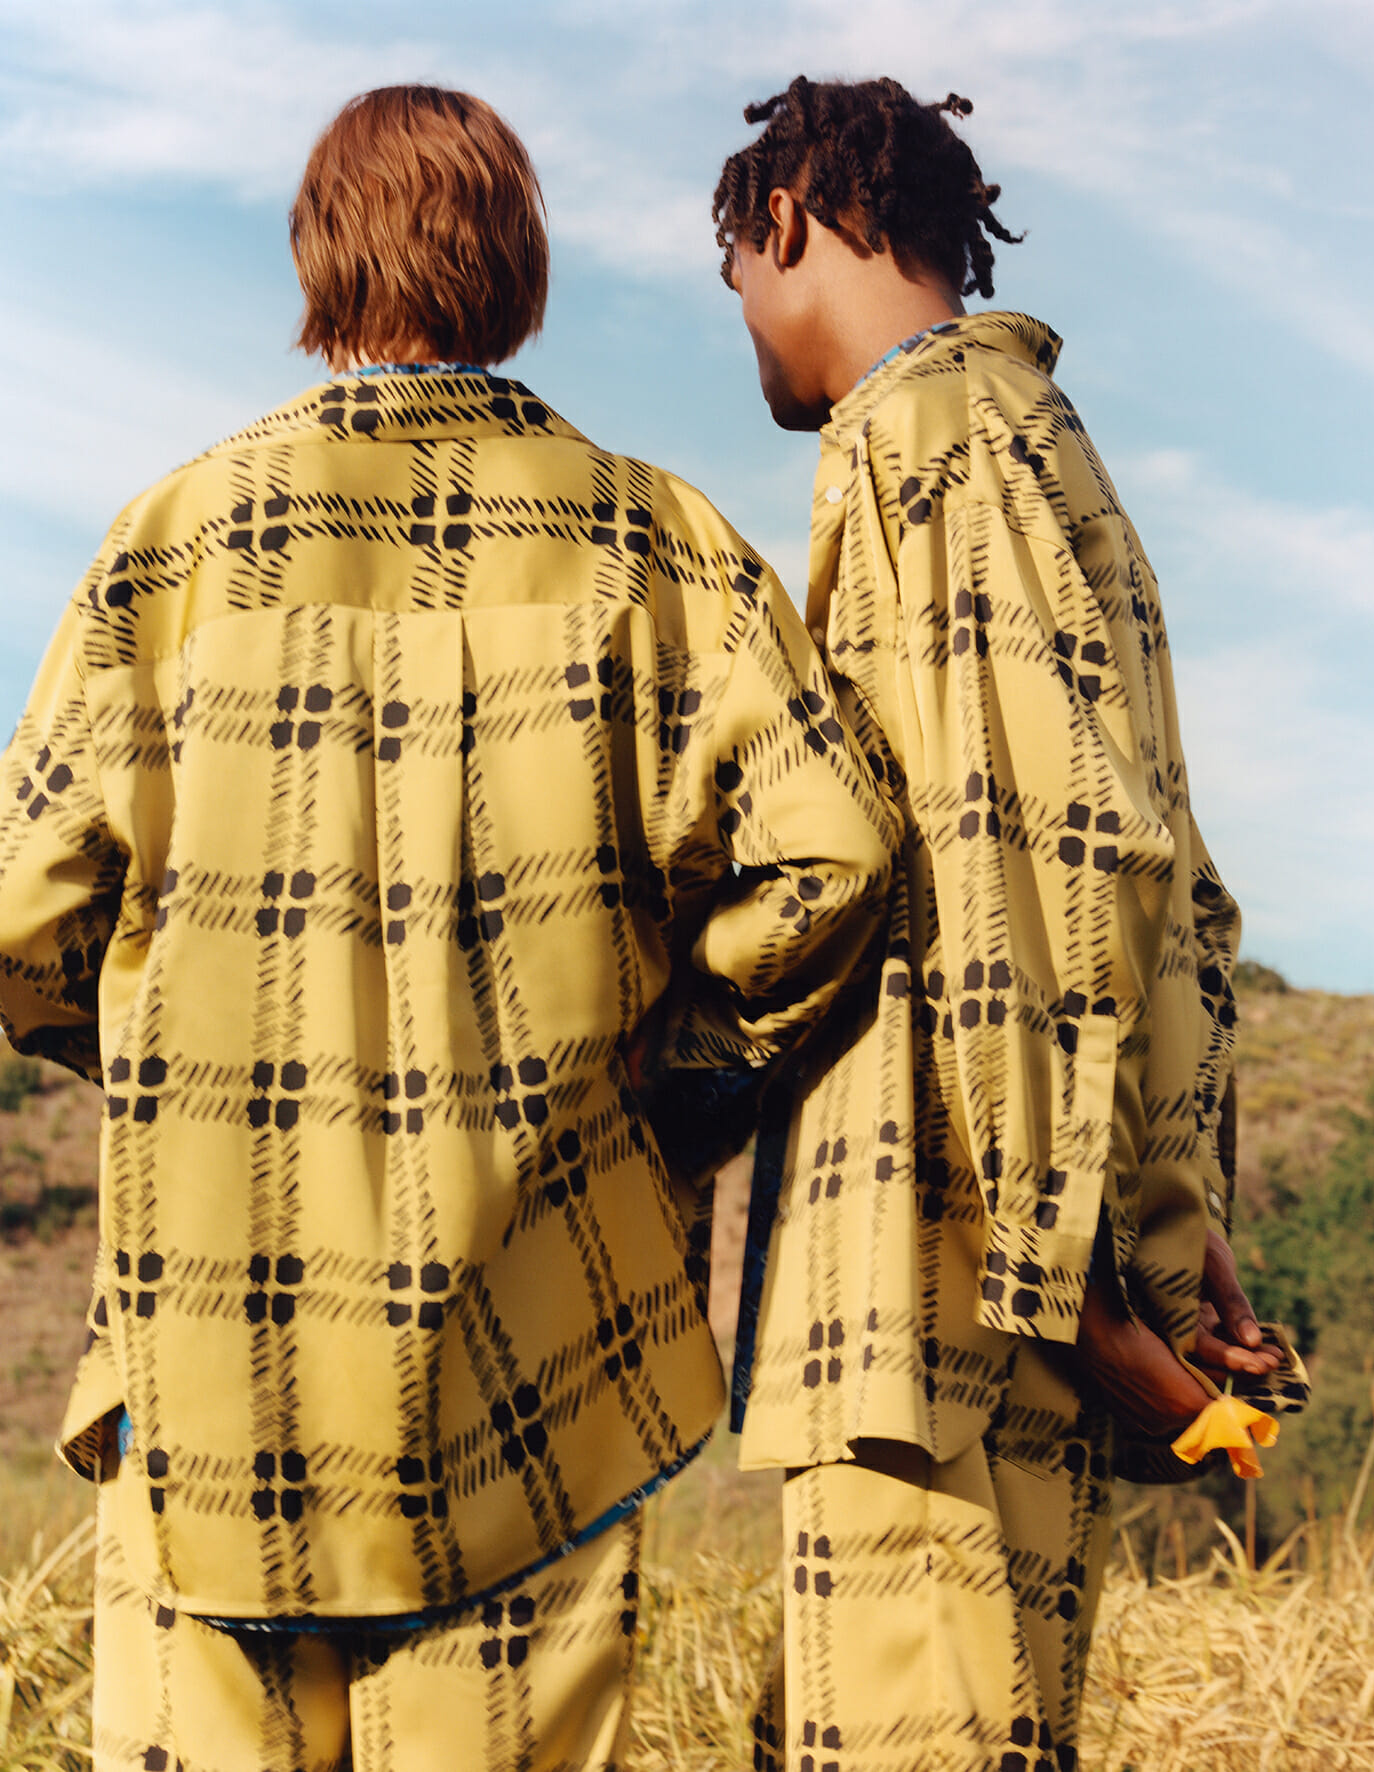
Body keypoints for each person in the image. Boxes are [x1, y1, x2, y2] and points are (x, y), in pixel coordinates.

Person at [0, 84, 899, 1772]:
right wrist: (681, 1078)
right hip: (541, 1354)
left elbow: (23, 918)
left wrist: (168, 1079)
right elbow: (833, 855)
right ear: (524, 270)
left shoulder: (171, 544)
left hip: (214, 1361)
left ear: (316, 260)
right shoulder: (656, 541)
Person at [712, 76, 1305, 1772]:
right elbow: (1149, 886)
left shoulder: (925, 445)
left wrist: (1086, 1302)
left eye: (733, 270)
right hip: (1024, 1264)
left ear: (787, 221)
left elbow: (1012, 872)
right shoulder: (1034, 442)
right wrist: (1172, 1243)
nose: (740, 316)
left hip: (945, 1291)